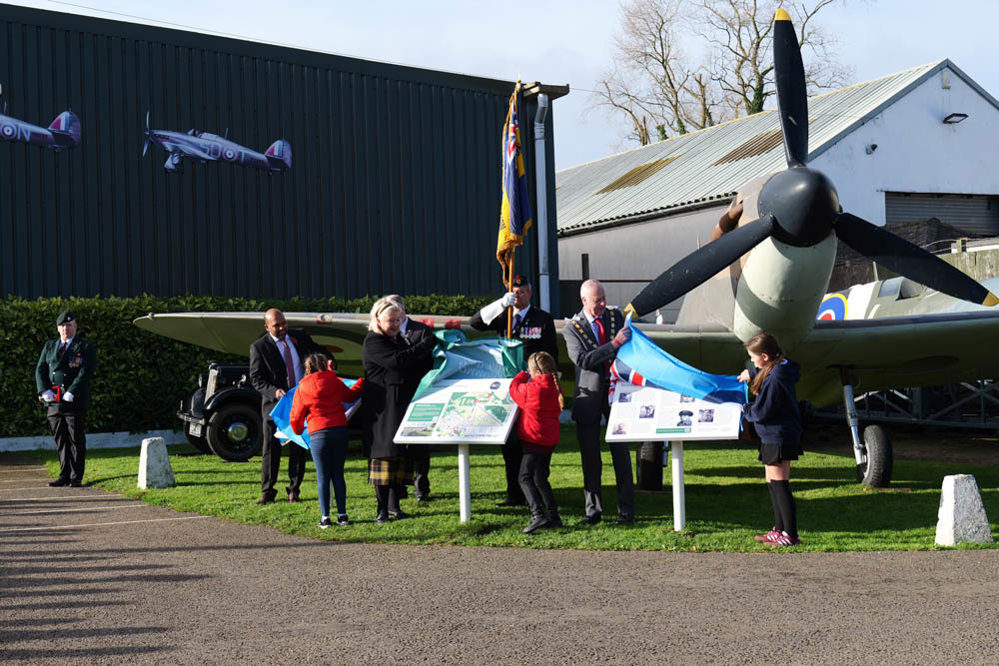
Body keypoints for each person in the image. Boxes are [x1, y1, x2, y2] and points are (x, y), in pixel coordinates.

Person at [470, 275, 557, 507]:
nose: (517, 296)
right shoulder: (504, 315)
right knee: (508, 444)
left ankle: (536, 491)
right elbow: (475, 322)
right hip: (508, 388)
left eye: (520, 292)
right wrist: (501, 304)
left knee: (530, 443)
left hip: (531, 390)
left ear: (530, 293)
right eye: (513, 292)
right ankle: (514, 493)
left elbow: (551, 355)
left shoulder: (543, 319)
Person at [562, 279, 635, 525]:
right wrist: (614, 345)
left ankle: (626, 512)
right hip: (590, 397)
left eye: (604, 298)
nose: (603, 304)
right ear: (584, 301)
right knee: (591, 458)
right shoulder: (571, 328)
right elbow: (583, 360)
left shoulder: (613, 317)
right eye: (597, 301)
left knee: (622, 457)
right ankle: (593, 512)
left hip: (617, 395)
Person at [361, 297, 437, 523]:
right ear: (377, 319)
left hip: (400, 407)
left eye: (398, 320)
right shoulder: (374, 341)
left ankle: (395, 507)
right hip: (383, 411)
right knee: (384, 458)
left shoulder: (397, 340)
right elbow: (399, 362)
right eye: (390, 320)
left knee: (400, 458)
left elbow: (415, 364)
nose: (395, 324)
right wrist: (424, 345)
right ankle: (382, 511)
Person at [250, 308, 323, 505]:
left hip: (301, 402)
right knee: (271, 450)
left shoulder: (300, 337)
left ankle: (294, 490)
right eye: (277, 325)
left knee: (299, 448)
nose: (282, 328)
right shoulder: (259, 347)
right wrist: (275, 392)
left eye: (284, 323)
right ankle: (268, 491)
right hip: (276, 407)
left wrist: (328, 360)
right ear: (267, 327)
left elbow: (319, 352)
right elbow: (256, 380)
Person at [737, 331, 803, 547]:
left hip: (778, 434)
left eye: (753, 357)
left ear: (764, 356)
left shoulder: (775, 378)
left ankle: (790, 534)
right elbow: (767, 372)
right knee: (772, 481)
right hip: (774, 434)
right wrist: (753, 372)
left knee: (780, 483)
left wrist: (745, 409)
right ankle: (779, 528)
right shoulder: (779, 368)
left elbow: (763, 411)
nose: (752, 360)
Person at [290, 352, 365, 528]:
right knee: (338, 474)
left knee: (323, 476)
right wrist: (361, 382)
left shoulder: (302, 388)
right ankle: (342, 515)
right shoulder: (334, 381)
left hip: (318, 433)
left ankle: (325, 517)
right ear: (326, 365)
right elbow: (349, 396)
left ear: (307, 368)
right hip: (339, 429)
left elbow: (295, 417)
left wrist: (299, 430)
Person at [35, 310, 96, 487]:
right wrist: (43, 390)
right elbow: (40, 369)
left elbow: (86, 371)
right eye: (62, 326)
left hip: (73, 400)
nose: (65, 329)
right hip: (54, 401)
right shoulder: (50, 346)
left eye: (69, 325)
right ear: (58, 328)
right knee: (60, 439)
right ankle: (64, 475)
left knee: (75, 438)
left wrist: (72, 390)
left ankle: (76, 476)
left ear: (75, 327)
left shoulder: (83, 346)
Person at [384, 294, 435, 502]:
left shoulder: (421, 330)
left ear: (402, 311)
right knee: (398, 444)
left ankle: (421, 487)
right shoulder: (384, 334)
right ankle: (400, 487)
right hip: (396, 397)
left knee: (420, 443)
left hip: (419, 393)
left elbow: (428, 360)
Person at [508, 351, 564, 534]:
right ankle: (554, 516)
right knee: (540, 479)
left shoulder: (532, 390)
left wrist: (522, 374)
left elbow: (513, 389)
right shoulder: (556, 388)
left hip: (534, 440)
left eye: (531, 371)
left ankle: (537, 514)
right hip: (549, 440)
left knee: (524, 477)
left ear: (536, 372)